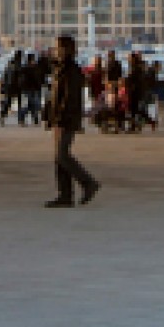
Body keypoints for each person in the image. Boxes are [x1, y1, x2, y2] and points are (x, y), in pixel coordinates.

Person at [44, 33, 101, 210]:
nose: (54, 50)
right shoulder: (59, 69)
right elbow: (55, 96)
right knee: (59, 158)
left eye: (57, 47)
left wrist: (61, 119)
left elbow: (70, 99)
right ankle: (65, 195)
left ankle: (88, 183)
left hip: (66, 119)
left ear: (65, 49)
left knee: (63, 155)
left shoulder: (71, 70)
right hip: (59, 118)